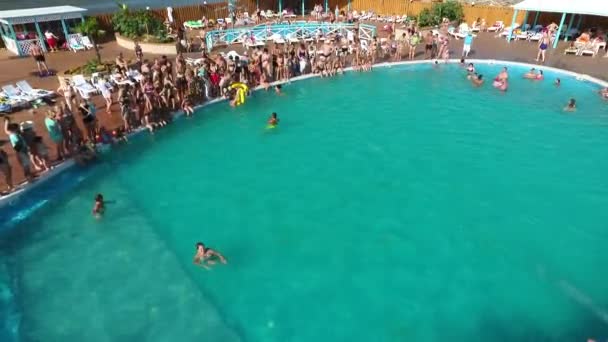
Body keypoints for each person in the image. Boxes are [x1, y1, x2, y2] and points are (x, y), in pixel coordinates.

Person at [3, 116, 33, 181]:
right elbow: (6, 130)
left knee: (27, 164)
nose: (18, 129)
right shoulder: (12, 134)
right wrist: (7, 121)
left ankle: (29, 175)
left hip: (23, 150)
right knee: (25, 165)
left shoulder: (18, 134)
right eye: (17, 128)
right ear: (13, 129)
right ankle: (28, 177)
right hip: (20, 151)